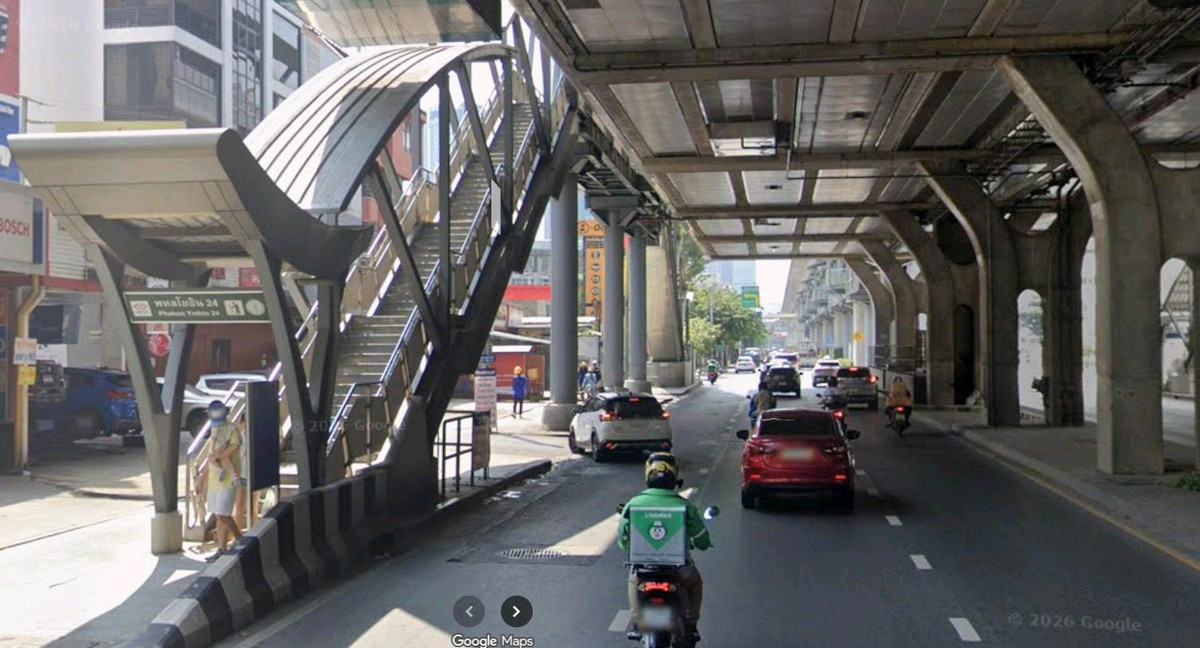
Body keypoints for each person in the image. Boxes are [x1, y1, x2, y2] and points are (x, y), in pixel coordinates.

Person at [619, 455, 711, 642]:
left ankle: (637, 622)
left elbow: (623, 540)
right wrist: (701, 543)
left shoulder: (634, 504)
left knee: (633, 581)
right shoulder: (684, 505)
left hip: (644, 570)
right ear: (674, 479)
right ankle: (691, 624)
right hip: (678, 569)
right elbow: (702, 540)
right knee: (695, 583)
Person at [195, 400, 245, 560]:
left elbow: (234, 447)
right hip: (214, 479)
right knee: (218, 515)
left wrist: (219, 456)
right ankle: (222, 549)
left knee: (222, 514)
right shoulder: (214, 430)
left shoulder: (231, 429)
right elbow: (210, 458)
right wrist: (201, 480)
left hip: (228, 480)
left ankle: (240, 539)